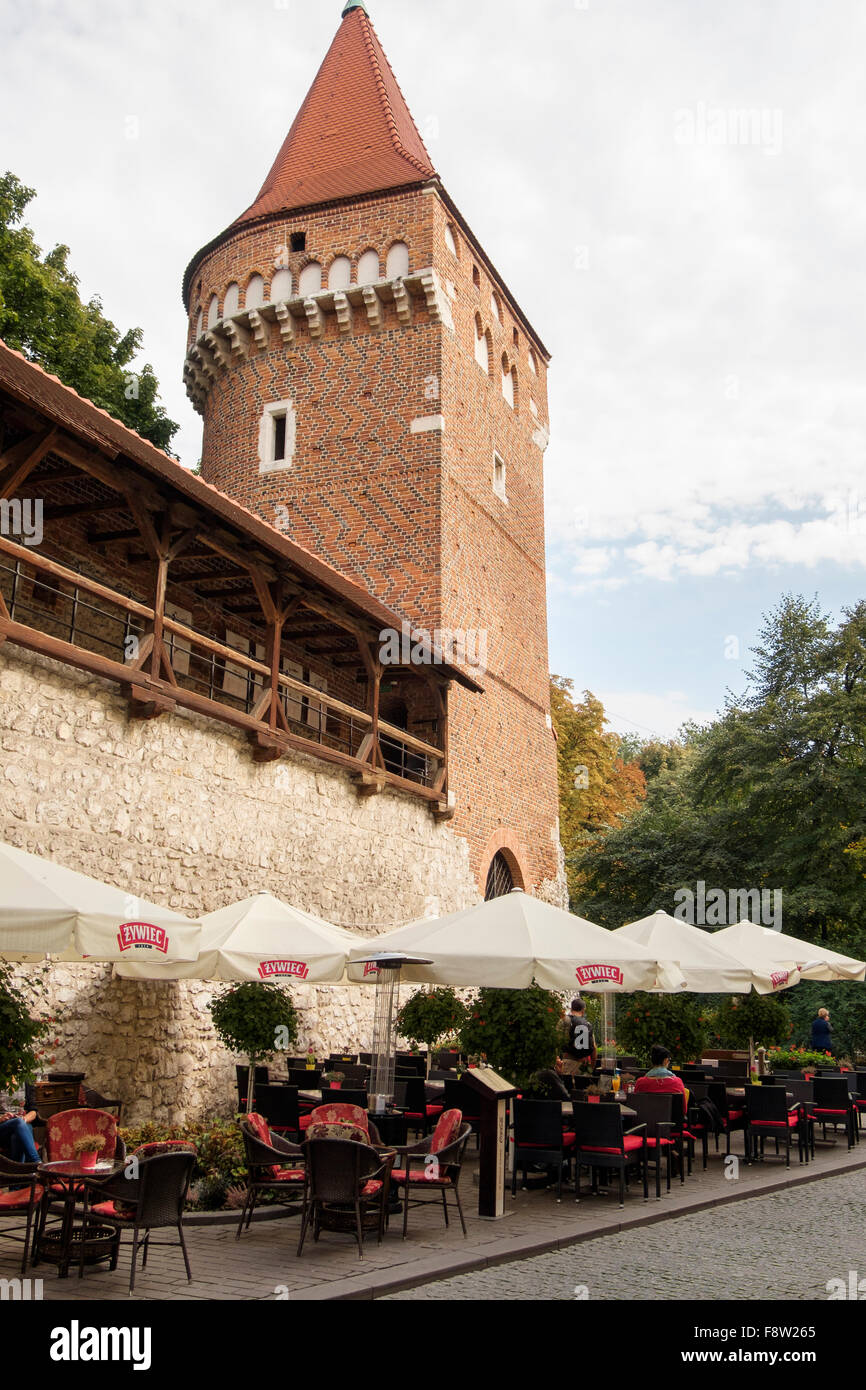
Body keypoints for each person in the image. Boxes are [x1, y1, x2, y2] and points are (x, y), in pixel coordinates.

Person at [0, 1082, 41, 1165]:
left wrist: (24, 1119)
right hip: (3, 1127)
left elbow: (33, 1111)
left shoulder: (26, 1079)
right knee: (19, 1123)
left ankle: (17, 1172)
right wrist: (1, 1118)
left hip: (21, 1124)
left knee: (17, 1134)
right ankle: (37, 1163)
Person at [558, 998, 597, 1078]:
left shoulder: (564, 1021)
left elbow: (556, 1042)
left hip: (567, 1062)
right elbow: (594, 1048)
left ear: (571, 1009)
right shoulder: (587, 1024)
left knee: (569, 1088)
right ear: (583, 1010)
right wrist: (592, 1067)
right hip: (584, 1065)